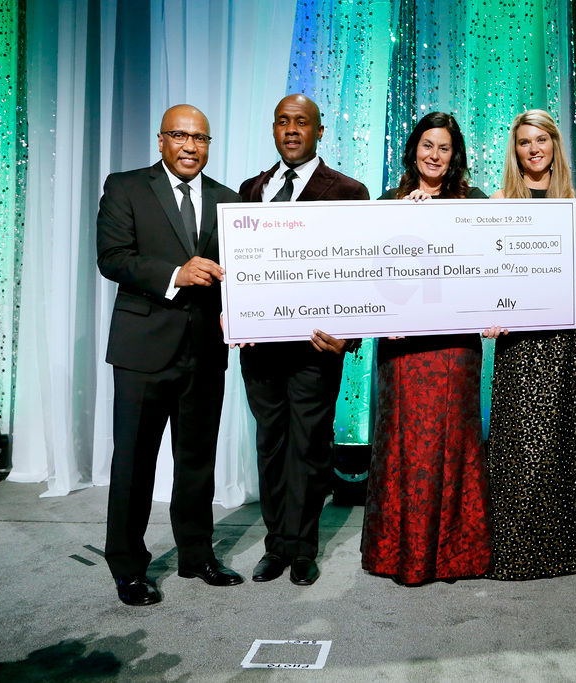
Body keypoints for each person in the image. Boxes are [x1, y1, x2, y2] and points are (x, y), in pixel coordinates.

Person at [97, 104, 243, 606]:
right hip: (142, 350)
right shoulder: (126, 186)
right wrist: (175, 275)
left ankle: (197, 555)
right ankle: (128, 567)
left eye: (200, 138)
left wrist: (248, 318)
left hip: (204, 350)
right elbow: (112, 258)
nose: (189, 146)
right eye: (179, 136)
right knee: (133, 463)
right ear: (160, 140)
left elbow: (240, 276)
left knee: (197, 462)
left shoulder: (229, 201)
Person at [482, 110, 576, 580]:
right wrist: (490, 315)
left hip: (572, 334)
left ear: (555, 146)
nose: (534, 148)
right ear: (515, 150)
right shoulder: (500, 201)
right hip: (523, 342)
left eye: (542, 139)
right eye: (525, 142)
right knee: (524, 441)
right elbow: (488, 274)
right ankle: (521, 553)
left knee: (575, 436)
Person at [238, 94, 369, 587]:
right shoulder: (251, 190)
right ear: (274, 130)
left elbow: (363, 272)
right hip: (261, 348)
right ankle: (276, 544)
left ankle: (303, 548)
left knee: (309, 448)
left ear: (319, 132)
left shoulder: (349, 191)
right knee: (271, 444)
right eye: (283, 122)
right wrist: (237, 318)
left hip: (316, 347)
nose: (292, 130)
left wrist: (349, 335)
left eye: (302, 123)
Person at [360, 111, 490, 585]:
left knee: (453, 443)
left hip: (454, 350)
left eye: (444, 148)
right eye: (427, 145)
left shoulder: (473, 201)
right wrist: (404, 222)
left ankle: (454, 555)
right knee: (401, 443)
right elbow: (370, 280)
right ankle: (401, 554)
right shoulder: (386, 204)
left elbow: (485, 270)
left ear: (455, 156)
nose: (434, 156)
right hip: (402, 350)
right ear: (413, 148)